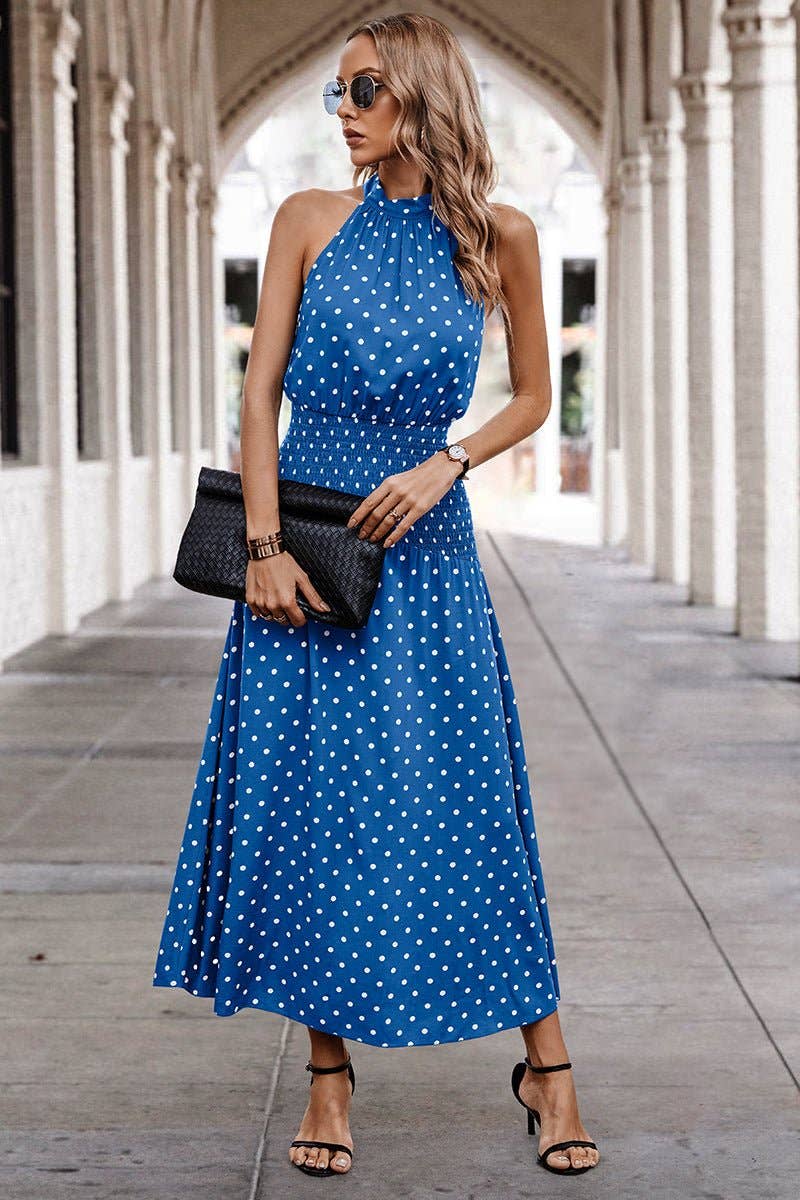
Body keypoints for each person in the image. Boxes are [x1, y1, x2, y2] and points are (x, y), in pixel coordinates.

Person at [152, 10, 600, 1182]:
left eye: (360, 92)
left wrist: (445, 460)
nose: (341, 114)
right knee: (319, 819)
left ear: (418, 96)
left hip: (428, 558)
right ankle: (328, 1079)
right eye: (335, 95)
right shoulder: (305, 221)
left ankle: (546, 1069)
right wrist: (259, 548)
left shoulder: (498, 235)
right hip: (305, 552)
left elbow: (532, 400)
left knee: (471, 812)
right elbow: (258, 402)